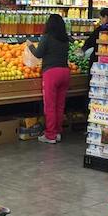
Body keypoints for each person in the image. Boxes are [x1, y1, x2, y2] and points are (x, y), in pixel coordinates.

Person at [28, 14, 70, 144]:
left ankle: (50, 135)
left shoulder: (47, 38)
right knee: (60, 105)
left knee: (50, 106)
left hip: (52, 73)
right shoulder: (65, 39)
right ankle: (57, 132)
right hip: (65, 72)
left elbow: (38, 54)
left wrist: (30, 46)